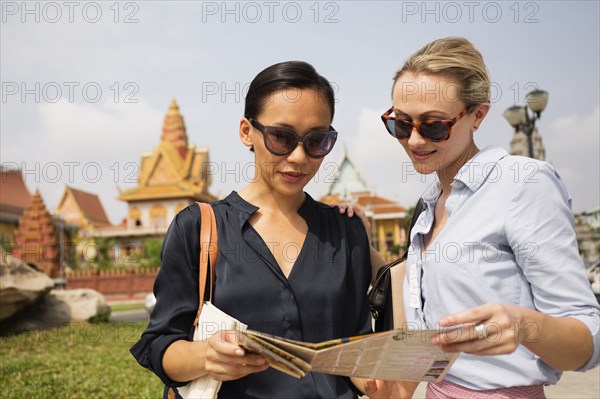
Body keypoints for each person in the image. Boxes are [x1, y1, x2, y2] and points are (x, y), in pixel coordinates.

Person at [340, 37, 600, 398]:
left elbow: (587, 337)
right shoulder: (429, 205)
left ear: (478, 115)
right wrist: (356, 241)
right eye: (401, 124)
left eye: (433, 126)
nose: (414, 140)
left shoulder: (521, 183)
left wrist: (526, 326)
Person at [130, 61, 392, 398]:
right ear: (246, 132)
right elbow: (160, 345)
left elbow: (357, 342)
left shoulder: (346, 231)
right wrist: (206, 356)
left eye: (317, 141)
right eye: (281, 137)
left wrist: (383, 378)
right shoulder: (198, 227)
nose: (299, 157)